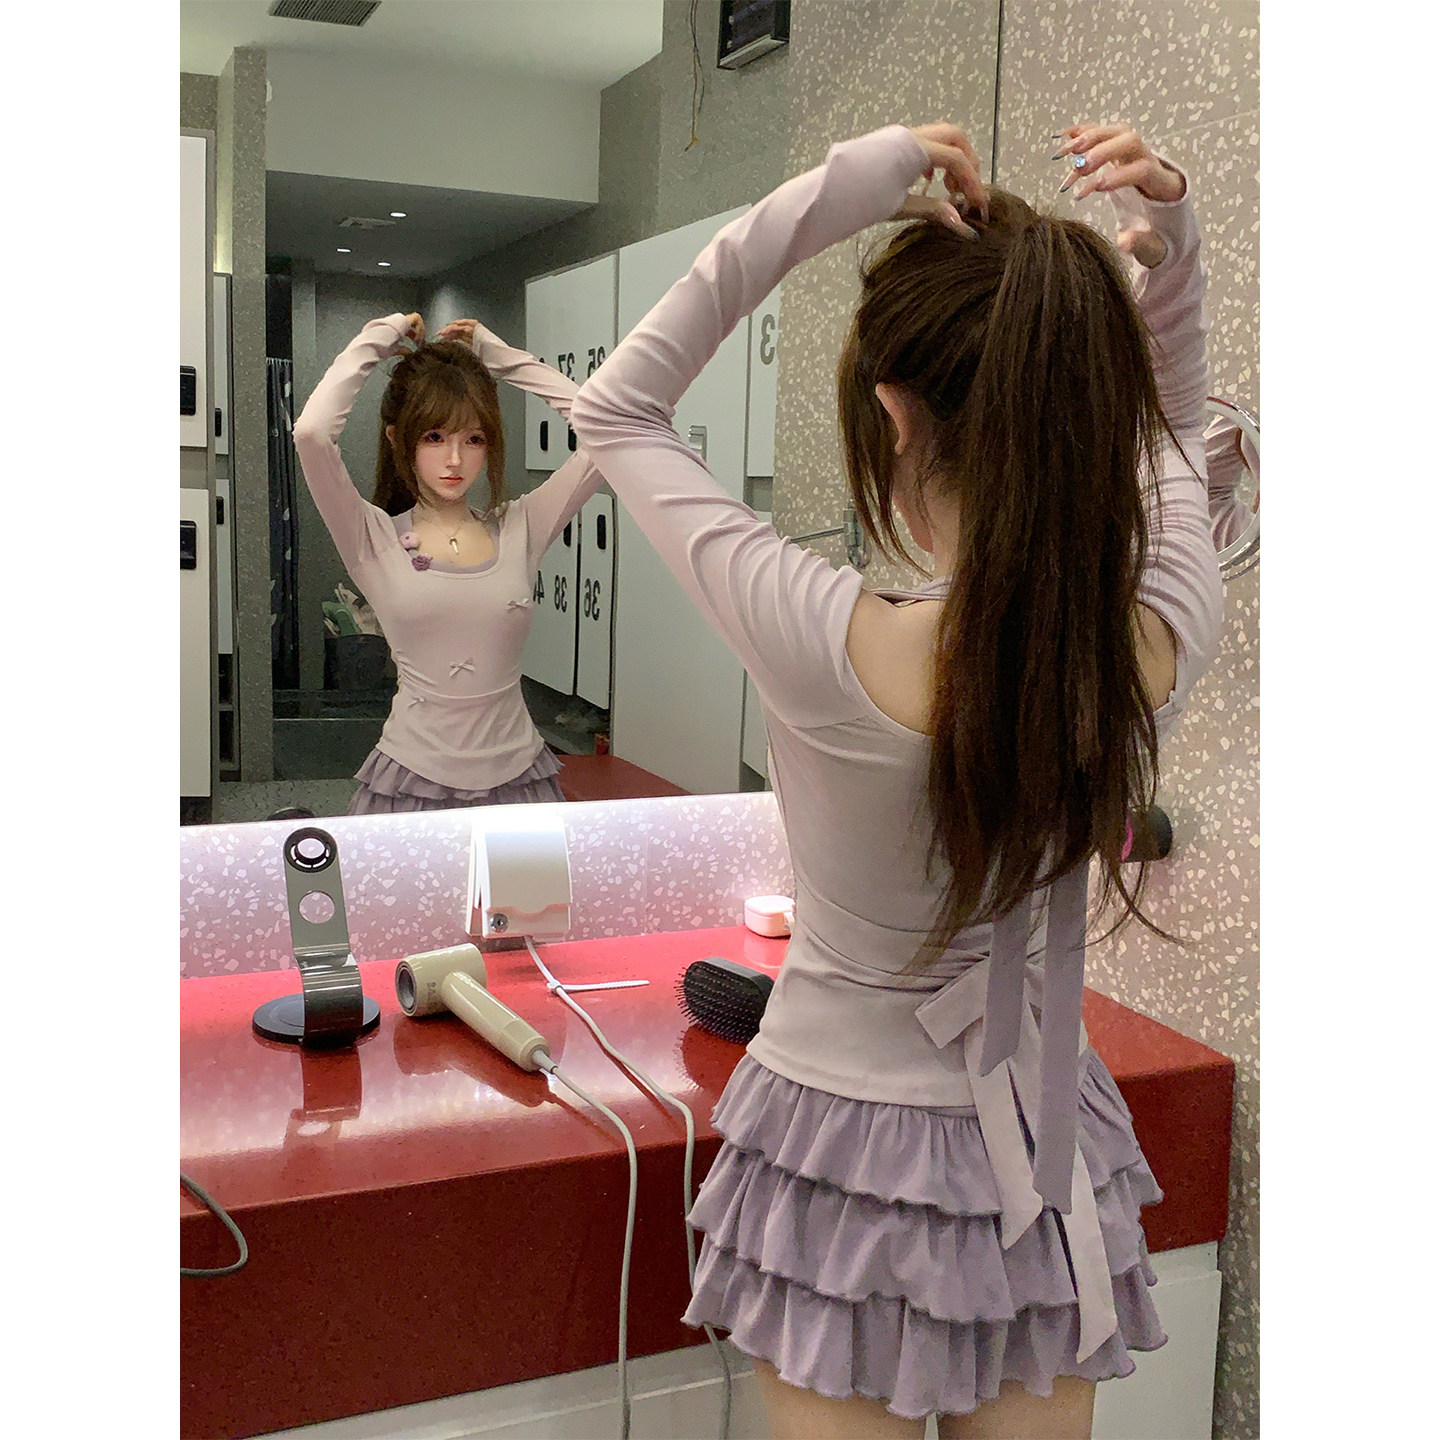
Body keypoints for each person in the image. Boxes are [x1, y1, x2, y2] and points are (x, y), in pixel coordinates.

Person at [561, 119, 1225, 1438]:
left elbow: (617, 405)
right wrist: (1175, 256)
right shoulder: (1152, 639)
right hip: (1043, 1144)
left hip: (835, 1151)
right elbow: (1178, 433)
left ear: (896, 411)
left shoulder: (824, 641)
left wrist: (835, 193)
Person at [292, 315, 604, 813]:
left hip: (520, 780)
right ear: (397, 438)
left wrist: (502, 358)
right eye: (434, 437)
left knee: (527, 875)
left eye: (474, 439)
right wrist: (379, 338)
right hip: (411, 782)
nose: (455, 459)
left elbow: (607, 430)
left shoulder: (521, 527)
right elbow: (311, 433)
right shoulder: (373, 537)